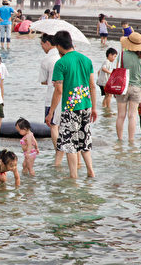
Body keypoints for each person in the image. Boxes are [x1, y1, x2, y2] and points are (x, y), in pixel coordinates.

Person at [46, 31, 96, 179]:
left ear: (59, 46)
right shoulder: (86, 60)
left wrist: (51, 112)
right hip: (86, 106)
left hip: (71, 109)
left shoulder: (60, 63)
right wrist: (94, 108)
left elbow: (59, 90)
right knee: (84, 141)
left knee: (70, 144)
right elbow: (92, 86)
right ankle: (90, 172)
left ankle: (73, 177)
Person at [115, 32, 141, 141]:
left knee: (121, 115)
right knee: (132, 116)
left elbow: (116, 72)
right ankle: (131, 140)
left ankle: (119, 140)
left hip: (123, 87)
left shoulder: (122, 55)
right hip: (137, 88)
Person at [39, 34, 63, 166]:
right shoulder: (63, 57)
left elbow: (43, 81)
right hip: (68, 97)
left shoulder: (47, 60)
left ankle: (58, 151)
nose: (42, 47)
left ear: (47, 43)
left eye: (42, 44)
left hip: (52, 97)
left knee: (54, 125)